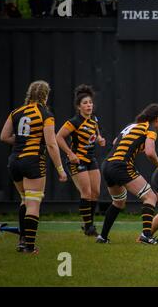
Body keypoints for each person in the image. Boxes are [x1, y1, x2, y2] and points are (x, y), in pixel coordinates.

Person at [0, 80, 67, 254]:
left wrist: (23, 139)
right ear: (46, 95)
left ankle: (22, 241)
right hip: (33, 161)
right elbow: (51, 145)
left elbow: (4, 137)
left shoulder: (16, 112)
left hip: (14, 161)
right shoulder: (46, 114)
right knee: (33, 203)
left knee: (24, 199)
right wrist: (60, 169)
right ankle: (29, 246)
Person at [96, 103, 158, 245]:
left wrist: (136, 147)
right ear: (157, 119)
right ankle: (146, 236)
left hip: (107, 165)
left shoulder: (132, 126)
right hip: (121, 165)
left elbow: (117, 142)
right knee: (150, 197)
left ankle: (102, 237)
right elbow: (150, 152)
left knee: (118, 202)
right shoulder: (151, 128)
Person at [56, 85, 106, 236]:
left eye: (90, 102)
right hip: (77, 161)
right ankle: (88, 226)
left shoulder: (94, 120)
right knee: (86, 192)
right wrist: (70, 153)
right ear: (79, 107)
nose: (89, 105)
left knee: (96, 192)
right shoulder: (74, 121)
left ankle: (88, 224)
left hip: (90, 159)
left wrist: (100, 139)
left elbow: (96, 135)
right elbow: (58, 137)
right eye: (85, 103)